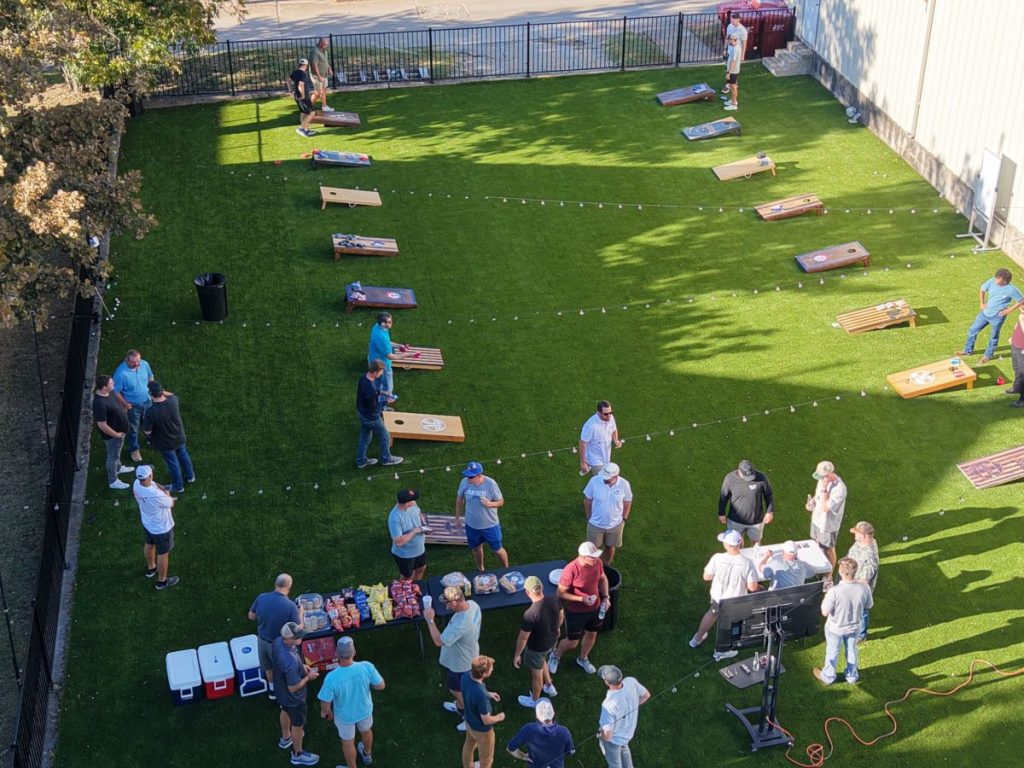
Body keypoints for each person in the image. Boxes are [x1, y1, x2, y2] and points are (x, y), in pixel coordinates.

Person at [318, 637, 385, 768]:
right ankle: (367, 754)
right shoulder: (367, 666)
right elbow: (381, 686)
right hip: (364, 710)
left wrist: (326, 711)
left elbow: (325, 701)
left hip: (344, 717)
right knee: (366, 731)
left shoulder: (332, 678)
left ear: (337, 654)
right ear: (354, 653)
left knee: (348, 742)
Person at [424, 585, 482, 732]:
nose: (445, 605)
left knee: (458, 691)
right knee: (459, 690)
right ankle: (460, 707)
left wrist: (430, 621)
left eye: (447, 602)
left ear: (455, 602)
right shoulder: (473, 605)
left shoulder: (460, 624)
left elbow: (438, 641)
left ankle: (470, 718)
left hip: (461, 663)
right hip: (471, 654)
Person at [689, 529, 759, 650]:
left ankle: (697, 639)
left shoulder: (717, 557)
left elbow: (706, 577)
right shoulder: (748, 563)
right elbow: (752, 587)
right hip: (736, 601)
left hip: (718, 598)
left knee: (712, 614)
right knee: (734, 622)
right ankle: (729, 646)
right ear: (740, 543)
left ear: (727, 545)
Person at [549, 542, 610, 676]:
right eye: (592, 557)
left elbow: (603, 579)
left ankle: (583, 659)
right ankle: (556, 654)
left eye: (595, 557)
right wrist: (582, 599)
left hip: (595, 608)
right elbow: (560, 593)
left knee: (592, 634)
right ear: (582, 557)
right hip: (576, 612)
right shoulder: (571, 570)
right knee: (572, 643)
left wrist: (606, 597)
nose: (595, 560)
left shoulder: (597, 563)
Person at [814, 558, 873, 685]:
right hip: (854, 627)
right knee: (852, 650)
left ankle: (828, 676)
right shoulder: (864, 587)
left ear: (841, 572)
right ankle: (852, 676)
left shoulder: (834, 591)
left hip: (836, 628)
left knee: (832, 651)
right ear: (854, 572)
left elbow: (824, 612)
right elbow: (869, 605)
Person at [272, 622, 321, 765]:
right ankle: (297, 754)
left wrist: (302, 666)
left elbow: (291, 659)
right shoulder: (290, 661)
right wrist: (308, 677)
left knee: (284, 709)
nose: (301, 639)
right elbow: (293, 688)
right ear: (288, 639)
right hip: (294, 698)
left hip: (280, 690)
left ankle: (286, 738)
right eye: (298, 637)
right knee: (298, 725)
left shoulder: (277, 641)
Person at [248, 574, 302, 701]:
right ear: (289, 587)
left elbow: (251, 616)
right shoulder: (290, 606)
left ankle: (272, 689)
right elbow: (298, 631)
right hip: (279, 646)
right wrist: (301, 613)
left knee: (268, 667)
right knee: (284, 670)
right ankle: (285, 694)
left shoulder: (261, 598)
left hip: (262, 641)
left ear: (275, 584)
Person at [513, 575, 562, 708]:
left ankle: (535, 700)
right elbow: (561, 615)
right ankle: (549, 686)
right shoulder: (554, 599)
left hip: (537, 647)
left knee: (536, 674)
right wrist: (557, 627)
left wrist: (517, 654)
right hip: (552, 641)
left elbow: (523, 637)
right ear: (542, 588)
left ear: (527, 592)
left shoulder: (530, 614)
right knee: (542, 661)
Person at [959, 268, 1024, 363]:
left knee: (993, 336)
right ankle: (967, 351)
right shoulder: (991, 281)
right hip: (984, 313)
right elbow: (982, 289)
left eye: (998, 279)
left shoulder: (1011, 290)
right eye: (996, 277)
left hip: (997, 317)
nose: (996, 279)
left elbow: (1021, 300)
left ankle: (988, 355)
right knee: (972, 330)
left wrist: (1009, 310)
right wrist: (982, 303)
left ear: (1005, 280)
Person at [142, 380, 195, 494]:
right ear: (162, 391)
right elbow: (171, 394)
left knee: (173, 464)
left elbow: (147, 431)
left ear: (150, 394)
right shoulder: (173, 401)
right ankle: (190, 476)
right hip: (179, 437)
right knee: (183, 455)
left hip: (165, 443)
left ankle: (178, 486)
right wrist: (160, 390)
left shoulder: (151, 412)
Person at [132, 465, 180, 590]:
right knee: (163, 554)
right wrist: (167, 492)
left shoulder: (137, 483)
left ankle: (151, 568)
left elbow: (152, 483)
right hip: (162, 528)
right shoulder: (157, 496)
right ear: (150, 475)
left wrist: (162, 487)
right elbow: (171, 503)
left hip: (148, 523)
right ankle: (162, 581)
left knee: (149, 544)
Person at [455, 461, 508, 571]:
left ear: (479, 475)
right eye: (467, 475)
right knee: (476, 548)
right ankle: (481, 569)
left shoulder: (490, 484)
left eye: (471, 476)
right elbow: (460, 499)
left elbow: (501, 501)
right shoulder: (464, 482)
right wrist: (457, 517)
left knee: (497, 549)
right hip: (472, 525)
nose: (468, 478)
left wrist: (490, 504)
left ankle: (506, 569)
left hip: (490, 525)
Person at [597, 665, 650, 768]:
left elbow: (607, 737)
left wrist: (600, 734)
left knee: (615, 764)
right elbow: (646, 695)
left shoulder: (608, 705)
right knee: (624, 748)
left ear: (607, 682)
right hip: (628, 733)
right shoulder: (631, 681)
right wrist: (633, 706)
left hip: (614, 740)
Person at [805, 460, 847, 585]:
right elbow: (818, 495)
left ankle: (828, 577)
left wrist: (824, 490)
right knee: (816, 544)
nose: (819, 479)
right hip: (816, 520)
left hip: (828, 525)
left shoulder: (840, 489)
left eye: (822, 477)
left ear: (829, 475)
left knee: (828, 549)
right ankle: (818, 568)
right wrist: (812, 502)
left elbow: (825, 507)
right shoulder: (822, 480)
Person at [356, 360, 402, 469]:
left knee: (365, 437)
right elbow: (375, 408)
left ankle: (361, 461)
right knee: (385, 436)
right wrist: (387, 401)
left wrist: (383, 393)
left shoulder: (364, 378)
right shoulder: (371, 390)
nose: (382, 373)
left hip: (361, 413)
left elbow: (372, 392)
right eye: (381, 371)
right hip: (371, 417)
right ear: (375, 372)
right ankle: (386, 459)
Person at [583, 463, 633, 564]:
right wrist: (589, 518)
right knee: (592, 549)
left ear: (616, 476)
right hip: (595, 524)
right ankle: (591, 567)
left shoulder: (624, 484)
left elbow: (627, 501)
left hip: (616, 525)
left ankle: (606, 565)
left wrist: (624, 519)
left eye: (607, 477)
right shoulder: (594, 481)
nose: (604, 479)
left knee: (610, 547)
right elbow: (587, 501)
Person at [460, 655, 504, 768]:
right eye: (491, 668)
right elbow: (486, 720)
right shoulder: (481, 695)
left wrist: (488, 693)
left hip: (469, 722)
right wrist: (499, 717)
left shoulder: (466, 676)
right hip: (482, 731)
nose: (492, 669)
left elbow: (471, 693)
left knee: (468, 746)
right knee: (486, 760)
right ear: (483, 674)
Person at [718, 459, 774, 546]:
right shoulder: (730, 479)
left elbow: (768, 494)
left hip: (756, 521)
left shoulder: (761, 478)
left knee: (756, 543)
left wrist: (769, 511)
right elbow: (723, 496)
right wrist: (721, 513)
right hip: (735, 521)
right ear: (738, 471)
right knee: (736, 544)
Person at [92, 374, 134, 489]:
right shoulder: (99, 403)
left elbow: (116, 402)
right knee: (112, 457)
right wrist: (116, 435)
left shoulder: (109, 393)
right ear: (104, 387)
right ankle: (113, 480)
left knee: (116, 453)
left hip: (120, 432)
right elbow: (102, 425)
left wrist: (123, 408)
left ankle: (118, 468)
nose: (113, 385)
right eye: (111, 383)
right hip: (113, 436)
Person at [506, 698, 575, 768]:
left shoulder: (528, 729)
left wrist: (523, 756)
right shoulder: (564, 732)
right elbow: (570, 752)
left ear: (536, 715)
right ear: (553, 713)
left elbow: (510, 748)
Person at [112, 348, 154, 462]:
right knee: (133, 429)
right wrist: (125, 404)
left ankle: (151, 438)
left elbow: (150, 376)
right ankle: (134, 449)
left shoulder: (144, 364)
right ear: (127, 360)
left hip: (148, 401)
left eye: (138, 361)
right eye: (133, 362)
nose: (136, 364)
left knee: (149, 422)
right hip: (133, 406)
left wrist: (152, 388)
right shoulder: (121, 373)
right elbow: (115, 391)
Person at [368, 313, 411, 407]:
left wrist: (398, 346)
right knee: (388, 388)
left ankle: (374, 398)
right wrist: (409, 355)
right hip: (382, 366)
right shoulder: (381, 337)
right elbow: (391, 356)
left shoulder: (377, 327)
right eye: (390, 322)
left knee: (376, 383)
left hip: (374, 359)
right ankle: (381, 407)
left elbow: (387, 342)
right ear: (383, 324)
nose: (392, 323)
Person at [846, 521, 879, 641]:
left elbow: (863, 581)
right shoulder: (861, 543)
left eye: (856, 533)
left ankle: (861, 635)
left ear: (864, 536)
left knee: (862, 611)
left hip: (858, 590)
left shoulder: (870, 557)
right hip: (851, 581)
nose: (854, 535)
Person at [388, 488, 428, 581]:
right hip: (405, 555)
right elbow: (398, 542)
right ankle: (406, 592)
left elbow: (418, 512)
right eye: (412, 499)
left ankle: (416, 587)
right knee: (407, 577)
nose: (414, 501)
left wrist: (424, 525)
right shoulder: (395, 518)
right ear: (406, 503)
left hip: (420, 549)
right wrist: (414, 531)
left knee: (421, 569)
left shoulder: (413, 504)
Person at [578, 401, 622, 476]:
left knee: (607, 480)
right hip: (595, 460)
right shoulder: (591, 425)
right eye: (605, 414)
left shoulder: (610, 418)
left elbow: (614, 429)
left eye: (610, 412)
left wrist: (616, 440)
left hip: (606, 457)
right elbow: (582, 443)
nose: (608, 416)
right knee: (603, 481)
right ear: (599, 412)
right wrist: (583, 463)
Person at [290, 58, 317, 138]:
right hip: (303, 97)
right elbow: (300, 85)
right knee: (312, 113)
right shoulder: (303, 74)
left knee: (303, 112)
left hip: (297, 96)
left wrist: (290, 91)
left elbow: (288, 80)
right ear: (306, 65)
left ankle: (306, 129)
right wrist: (302, 95)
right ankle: (301, 128)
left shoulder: (295, 72)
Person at [308, 37, 335, 113]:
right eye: (324, 45)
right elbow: (314, 65)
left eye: (327, 45)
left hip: (324, 75)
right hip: (317, 76)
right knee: (317, 92)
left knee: (323, 90)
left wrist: (329, 68)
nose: (326, 46)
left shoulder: (324, 50)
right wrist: (319, 76)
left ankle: (324, 106)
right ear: (320, 43)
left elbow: (325, 61)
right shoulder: (315, 51)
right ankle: (308, 108)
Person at [723, 34, 742, 111]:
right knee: (731, 86)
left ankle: (734, 104)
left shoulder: (735, 49)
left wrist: (729, 73)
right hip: (734, 70)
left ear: (735, 40)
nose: (730, 41)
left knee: (733, 87)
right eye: (730, 39)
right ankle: (733, 100)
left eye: (731, 39)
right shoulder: (737, 47)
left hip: (733, 71)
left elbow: (733, 62)